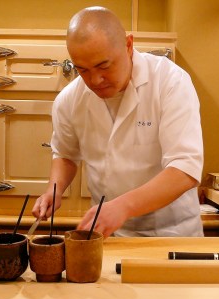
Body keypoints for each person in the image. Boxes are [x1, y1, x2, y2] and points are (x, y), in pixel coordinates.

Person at [31, 6, 204, 237]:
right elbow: (65, 154)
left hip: (172, 232)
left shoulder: (170, 82)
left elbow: (185, 168)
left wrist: (123, 206)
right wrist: (54, 189)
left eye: (104, 66)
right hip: (109, 234)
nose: (95, 80)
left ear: (128, 45)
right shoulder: (69, 99)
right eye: (82, 70)